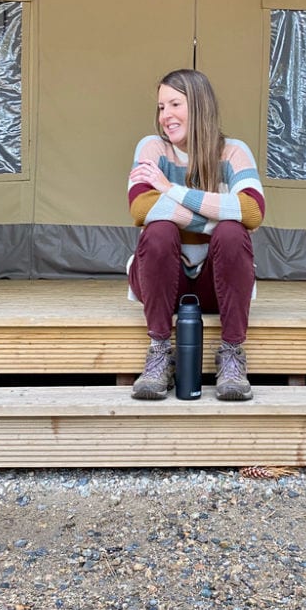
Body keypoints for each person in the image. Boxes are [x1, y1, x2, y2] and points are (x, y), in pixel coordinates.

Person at [127, 68, 265, 401]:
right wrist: (214, 215)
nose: (165, 116)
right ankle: (160, 350)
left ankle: (232, 353)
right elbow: (142, 208)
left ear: (200, 106)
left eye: (175, 104)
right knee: (159, 231)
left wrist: (171, 189)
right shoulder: (152, 149)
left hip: (214, 284)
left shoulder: (233, 152)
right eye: (161, 107)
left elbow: (252, 211)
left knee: (233, 233)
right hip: (159, 279)